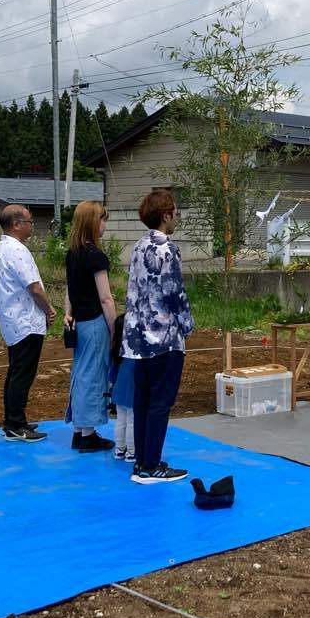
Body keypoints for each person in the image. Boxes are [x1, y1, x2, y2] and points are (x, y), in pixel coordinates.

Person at [122, 189, 193, 484]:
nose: (177, 218)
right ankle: (152, 466)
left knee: (143, 402)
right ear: (165, 215)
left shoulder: (138, 247)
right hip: (163, 338)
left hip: (137, 341)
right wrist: (187, 324)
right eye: (175, 213)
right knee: (160, 403)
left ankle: (143, 462)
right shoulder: (168, 249)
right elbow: (173, 292)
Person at [0, 204, 56, 442]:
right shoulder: (16, 250)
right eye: (28, 221)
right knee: (22, 374)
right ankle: (16, 425)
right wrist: (48, 309)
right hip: (25, 322)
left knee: (16, 372)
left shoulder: (4, 248)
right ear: (16, 224)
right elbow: (35, 287)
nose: (31, 225)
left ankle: (13, 420)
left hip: (14, 321)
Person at [63, 200, 115, 452]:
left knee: (81, 373)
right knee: (93, 376)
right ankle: (88, 433)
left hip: (78, 322)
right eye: (103, 219)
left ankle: (78, 430)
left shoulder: (72, 253)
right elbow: (105, 297)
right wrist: (114, 328)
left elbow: (70, 290)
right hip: (95, 322)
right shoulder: (95, 255)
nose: (105, 224)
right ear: (93, 222)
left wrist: (68, 313)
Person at [108, 314, 135, 462]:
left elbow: (111, 375)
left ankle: (119, 449)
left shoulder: (116, 351)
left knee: (121, 420)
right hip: (132, 391)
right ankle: (132, 451)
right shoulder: (134, 353)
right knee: (132, 421)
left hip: (118, 391)